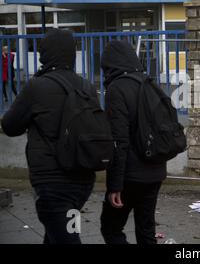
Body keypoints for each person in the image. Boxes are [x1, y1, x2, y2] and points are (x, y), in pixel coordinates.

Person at [1, 29, 97, 244]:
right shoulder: (86, 86)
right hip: (83, 179)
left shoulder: (37, 86)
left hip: (51, 180)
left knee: (65, 237)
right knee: (59, 231)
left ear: (45, 53)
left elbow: (10, 125)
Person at [100, 40, 166, 245]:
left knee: (111, 228)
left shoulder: (116, 89)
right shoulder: (150, 84)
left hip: (130, 175)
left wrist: (114, 186)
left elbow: (119, 141)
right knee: (146, 230)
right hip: (155, 170)